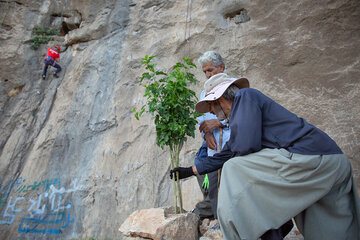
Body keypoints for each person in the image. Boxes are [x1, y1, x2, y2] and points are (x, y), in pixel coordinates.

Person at [170, 73, 360, 240]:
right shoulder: (241, 115)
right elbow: (230, 150)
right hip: (332, 162)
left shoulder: (246, 96)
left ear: (219, 99)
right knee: (329, 226)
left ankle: (262, 230)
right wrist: (191, 170)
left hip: (315, 159)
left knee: (234, 169)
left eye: (210, 105)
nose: (210, 111)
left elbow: (244, 147)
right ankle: (273, 228)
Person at [193, 51, 233, 220]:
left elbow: (243, 115)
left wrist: (220, 123)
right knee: (214, 187)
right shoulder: (204, 93)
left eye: (210, 70)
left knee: (232, 187)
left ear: (221, 67)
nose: (208, 75)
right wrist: (206, 133)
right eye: (205, 72)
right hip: (213, 148)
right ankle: (219, 223)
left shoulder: (233, 87)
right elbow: (201, 118)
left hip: (231, 147)